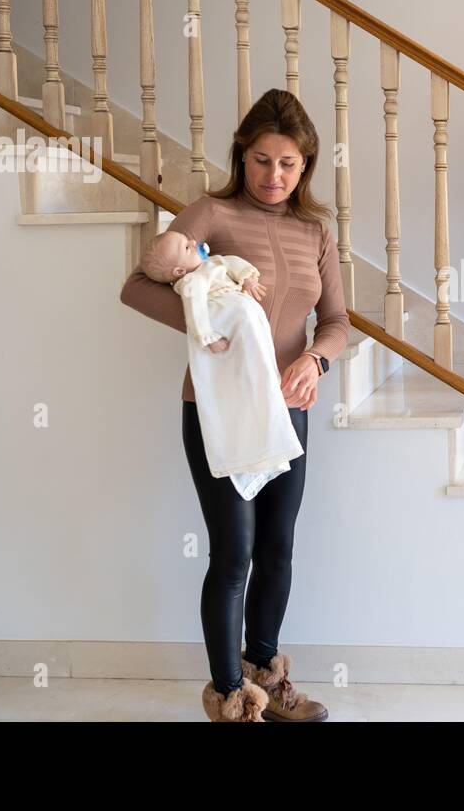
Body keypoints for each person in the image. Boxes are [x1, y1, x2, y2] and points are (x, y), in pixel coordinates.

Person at [120, 88, 349, 722]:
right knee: (234, 552)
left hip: (287, 411)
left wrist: (315, 360)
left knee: (279, 546)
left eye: (288, 164)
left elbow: (336, 320)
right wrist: (203, 328)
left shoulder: (315, 231)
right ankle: (228, 699)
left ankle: (266, 676)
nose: (273, 176)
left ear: (305, 167)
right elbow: (137, 285)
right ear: (241, 156)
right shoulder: (211, 213)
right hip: (218, 410)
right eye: (260, 160)